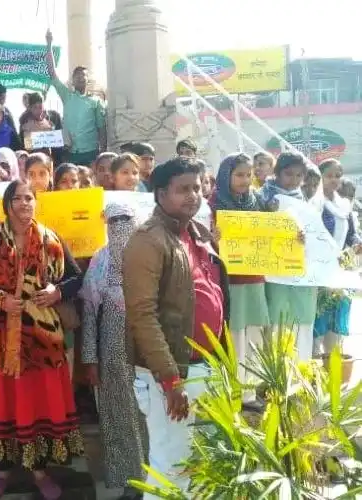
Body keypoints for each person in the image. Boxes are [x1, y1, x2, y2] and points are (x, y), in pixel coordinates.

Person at [0, 180, 84, 500]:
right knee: (4, 402)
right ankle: (3, 472)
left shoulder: (51, 239)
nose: (24, 203)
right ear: (7, 204)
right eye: (17, 198)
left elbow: (75, 278)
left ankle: (40, 472)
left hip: (43, 341)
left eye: (29, 197)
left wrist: (56, 291)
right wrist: (0, 301)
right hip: (4, 341)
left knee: (39, 401)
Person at [122, 156, 229, 495]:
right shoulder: (147, 240)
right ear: (161, 194)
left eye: (197, 188)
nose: (193, 195)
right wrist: (170, 379)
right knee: (171, 466)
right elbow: (143, 315)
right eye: (183, 189)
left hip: (206, 366)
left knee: (198, 464)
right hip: (171, 374)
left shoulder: (197, 234)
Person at [81, 202, 146, 499]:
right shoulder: (99, 261)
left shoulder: (149, 257)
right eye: (114, 220)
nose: (120, 225)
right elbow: (90, 314)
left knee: (149, 416)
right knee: (118, 417)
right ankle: (129, 484)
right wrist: (90, 360)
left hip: (146, 352)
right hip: (111, 352)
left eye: (126, 219)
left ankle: (156, 480)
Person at [210, 153, 270, 407]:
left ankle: (251, 391)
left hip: (254, 277)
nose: (245, 180)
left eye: (249, 175)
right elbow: (205, 241)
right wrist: (214, 237)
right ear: (226, 175)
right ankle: (235, 391)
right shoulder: (212, 203)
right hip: (228, 279)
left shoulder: (256, 201)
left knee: (254, 333)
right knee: (234, 335)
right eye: (240, 175)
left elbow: (271, 233)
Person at [257, 152, 317, 361]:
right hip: (274, 273)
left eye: (299, 175)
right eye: (288, 174)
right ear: (277, 173)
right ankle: (275, 381)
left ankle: (301, 375)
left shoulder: (305, 201)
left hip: (301, 273)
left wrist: (305, 237)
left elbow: (316, 236)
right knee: (276, 321)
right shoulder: (262, 198)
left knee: (302, 322)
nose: (294, 180)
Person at [314, 159, 362, 355]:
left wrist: (356, 244)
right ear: (319, 177)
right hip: (318, 272)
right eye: (329, 176)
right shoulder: (313, 204)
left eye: (337, 176)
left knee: (337, 317)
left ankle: (335, 366)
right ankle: (315, 365)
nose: (334, 180)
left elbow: (352, 233)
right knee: (318, 318)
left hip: (342, 270)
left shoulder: (343, 206)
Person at [46, 31, 106, 166]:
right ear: (72, 81)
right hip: (70, 153)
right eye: (77, 75)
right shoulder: (67, 96)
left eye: (83, 75)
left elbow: (101, 129)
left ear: (87, 80)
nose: (80, 77)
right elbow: (52, 72)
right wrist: (49, 43)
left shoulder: (96, 102)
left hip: (91, 153)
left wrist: (102, 154)